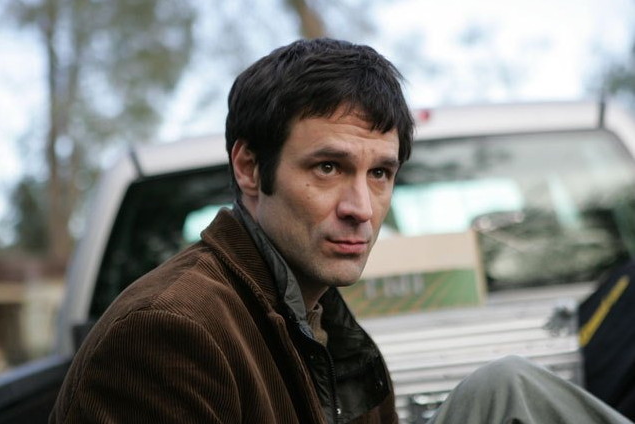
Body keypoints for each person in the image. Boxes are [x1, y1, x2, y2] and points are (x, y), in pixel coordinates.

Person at [49, 38, 631, 424]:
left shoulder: (326, 323)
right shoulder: (169, 331)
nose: (362, 208)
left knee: (508, 389)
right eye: (328, 168)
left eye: (380, 174)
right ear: (249, 167)